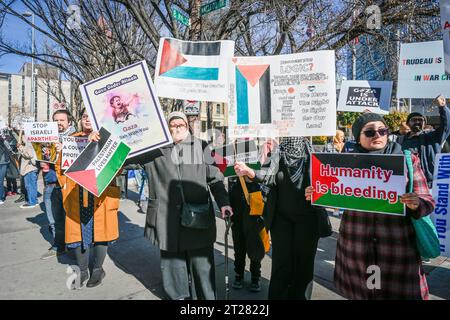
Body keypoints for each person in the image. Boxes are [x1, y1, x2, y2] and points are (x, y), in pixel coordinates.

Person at [91, 111, 233, 299]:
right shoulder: (154, 149)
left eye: (180, 125)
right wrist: (101, 143)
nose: (176, 128)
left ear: (187, 126)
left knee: (202, 270)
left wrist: (224, 203)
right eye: (171, 125)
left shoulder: (201, 147)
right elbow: (121, 161)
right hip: (167, 221)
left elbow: (215, 179)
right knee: (173, 270)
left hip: (198, 219)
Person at [305, 113, 435, 300]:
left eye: (383, 131)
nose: (378, 135)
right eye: (370, 132)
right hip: (356, 249)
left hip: (396, 251)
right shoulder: (342, 164)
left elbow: (427, 201)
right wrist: (317, 194)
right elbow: (331, 195)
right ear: (358, 136)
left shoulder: (407, 160)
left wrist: (417, 203)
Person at [234, 137, 320, 300]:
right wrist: (248, 171)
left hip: (308, 221)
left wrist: (319, 191)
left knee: (304, 265)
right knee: (281, 264)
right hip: (281, 221)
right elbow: (265, 175)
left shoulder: (315, 155)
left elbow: (328, 184)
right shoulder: (277, 153)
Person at [66, 109, 120, 288]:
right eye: (84, 116)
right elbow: (63, 169)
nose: (87, 119)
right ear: (80, 120)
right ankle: (82, 270)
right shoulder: (72, 139)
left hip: (100, 196)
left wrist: (97, 145)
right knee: (78, 234)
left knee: (101, 233)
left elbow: (117, 167)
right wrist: (60, 152)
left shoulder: (108, 140)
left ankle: (97, 269)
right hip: (77, 194)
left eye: (91, 116)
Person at [41, 109, 76, 259]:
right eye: (55, 120)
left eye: (62, 120)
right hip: (51, 183)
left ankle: (76, 248)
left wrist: (64, 149)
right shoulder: (47, 137)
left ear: (69, 122)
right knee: (55, 219)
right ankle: (59, 246)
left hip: (70, 185)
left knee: (72, 218)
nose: (58, 123)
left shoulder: (76, 137)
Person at [400, 95, 450, 187]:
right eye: (414, 120)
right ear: (407, 124)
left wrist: (442, 107)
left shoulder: (433, 136)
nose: (418, 122)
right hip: (408, 185)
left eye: (421, 120)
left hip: (430, 184)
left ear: (424, 124)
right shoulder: (400, 140)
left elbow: (447, 126)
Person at [228, 176, 264, 292]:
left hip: (254, 224)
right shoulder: (235, 186)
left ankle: (255, 277)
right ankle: (239, 275)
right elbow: (230, 204)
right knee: (239, 250)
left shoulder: (258, 185)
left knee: (255, 250)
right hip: (238, 223)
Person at [17, 139, 38, 209]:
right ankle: (34, 201)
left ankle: (32, 202)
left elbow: (29, 154)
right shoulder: (30, 142)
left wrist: (20, 147)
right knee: (32, 185)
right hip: (30, 168)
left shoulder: (28, 143)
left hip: (29, 168)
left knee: (29, 186)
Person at [0, 132, 10, 205]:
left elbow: (9, 149)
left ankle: (1, 197)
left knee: (0, 181)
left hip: (3, 163)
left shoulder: (4, 141)